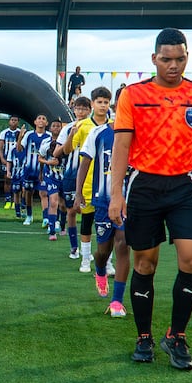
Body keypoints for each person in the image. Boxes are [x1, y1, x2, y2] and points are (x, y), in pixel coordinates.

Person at [109, 28, 192, 371]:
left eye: (180, 59)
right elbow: (121, 147)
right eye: (167, 59)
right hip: (144, 186)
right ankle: (144, 336)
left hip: (184, 187)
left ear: (187, 58)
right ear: (154, 59)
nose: (173, 66)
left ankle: (177, 335)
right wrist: (116, 192)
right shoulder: (133, 95)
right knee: (145, 264)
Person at [76, 120, 130, 317]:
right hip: (102, 201)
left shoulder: (138, 132)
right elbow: (85, 163)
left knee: (123, 245)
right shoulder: (98, 133)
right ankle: (100, 270)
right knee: (103, 251)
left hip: (128, 201)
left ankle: (117, 301)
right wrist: (78, 192)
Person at [70, 87, 112, 273]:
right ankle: (85, 260)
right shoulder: (83, 125)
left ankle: (108, 262)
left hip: (107, 183)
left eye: (106, 102)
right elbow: (69, 148)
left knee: (108, 225)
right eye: (99, 102)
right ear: (92, 104)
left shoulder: (114, 126)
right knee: (87, 222)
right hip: (88, 183)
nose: (103, 105)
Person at [53, 96, 91, 259]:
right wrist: (71, 136)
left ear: (90, 110)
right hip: (70, 174)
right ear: (73, 110)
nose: (81, 111)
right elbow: (56, 153)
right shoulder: (67, 128)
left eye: (84, 108)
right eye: (78, 108)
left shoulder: (95, 127)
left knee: (91, 212)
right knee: (72, 211)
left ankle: (87, 249)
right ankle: (74, 247)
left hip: (91, 175)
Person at [0, 115, 21, 210]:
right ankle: (7, 200)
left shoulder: (20, 133)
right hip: (7, 160)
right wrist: (2, 159)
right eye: (12, 120)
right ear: (9, 121)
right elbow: (0, 148)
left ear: (18, 122)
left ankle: (16, 202)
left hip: (17, 161)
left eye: (15, 120)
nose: (14, 122)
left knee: (17, 181)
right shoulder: (4, 133)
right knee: (7, 180)